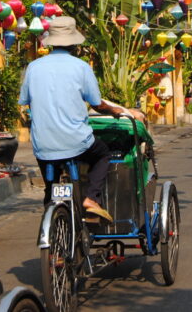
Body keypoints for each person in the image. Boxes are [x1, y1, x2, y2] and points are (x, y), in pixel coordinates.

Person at [19, 15, 144, 222]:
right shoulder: (81, 67)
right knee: (102, 154)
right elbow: (97, 103)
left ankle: (52, 217)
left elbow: (25, 100)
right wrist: (115, 111)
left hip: (42, 143)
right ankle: (91, 198)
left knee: (51, 187)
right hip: (77, 141)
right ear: (74, 44)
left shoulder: (34, 67)